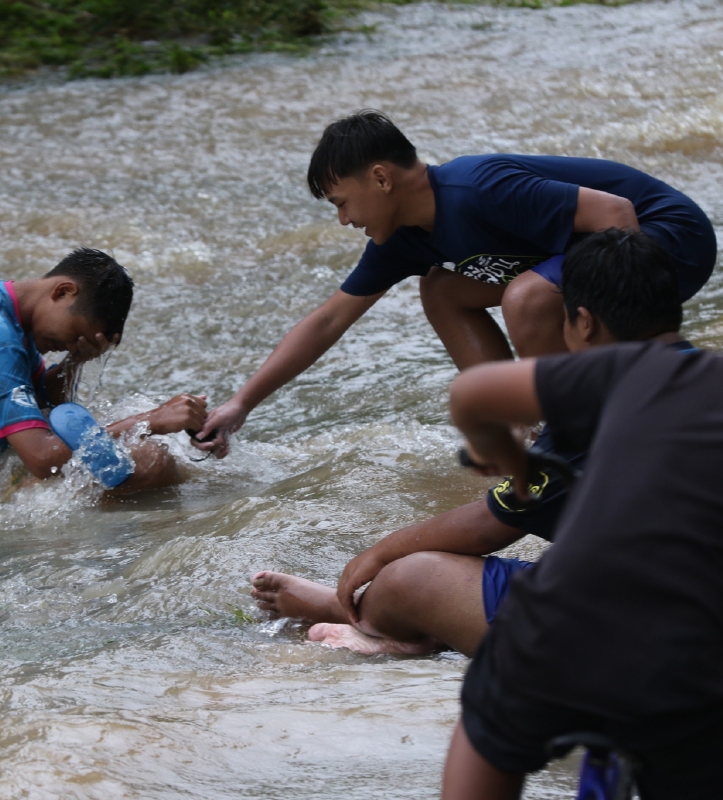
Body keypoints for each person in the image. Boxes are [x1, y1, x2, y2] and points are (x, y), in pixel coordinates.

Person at [442, 271, 723, 800]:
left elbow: (471, 394)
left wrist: (513, 467)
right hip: (689, 684)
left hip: (545, 643)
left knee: (489, 730)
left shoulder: (640, 368)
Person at [251, 230, 696, 657]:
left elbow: (492, 524)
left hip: (628, 631)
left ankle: (371, 618)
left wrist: (377, 555)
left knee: (409, 576)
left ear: (583, 322)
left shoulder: (594, 398)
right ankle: (409, 623)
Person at [195, 110, 715, 457]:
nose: (344, 220)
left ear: (381, 178)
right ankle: (521, 424)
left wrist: (615, 328)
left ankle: (570, 433)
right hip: (595, 254)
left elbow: (617, 212)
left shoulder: (480, 188)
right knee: (443, 290)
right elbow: (329, 319)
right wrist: (242, 404)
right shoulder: (402, 239)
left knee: (529, 297)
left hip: (668, 238)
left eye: (341, 202)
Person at [0, 247, 207, 508]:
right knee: (151, 461)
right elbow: (42, 459)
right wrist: (152, 419)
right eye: (76, 335)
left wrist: (76, 360)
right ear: (63, 292)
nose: (72, 345)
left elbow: (47, 407)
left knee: (144, 454)